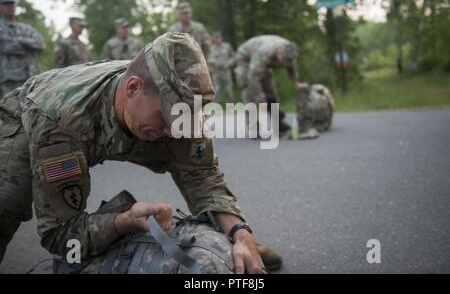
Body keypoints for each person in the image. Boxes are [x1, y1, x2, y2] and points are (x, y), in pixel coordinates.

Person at [0, 32, 281, 273]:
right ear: (133, 88)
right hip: (29, 114)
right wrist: (123, 221)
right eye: (166, 117)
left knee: (201, 182)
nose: (174, 132)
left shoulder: (177, 107)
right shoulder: (58, 123)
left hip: (122, 118)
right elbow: (62, 234)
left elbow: (202, 176)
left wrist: (239, 232)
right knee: (7, 199)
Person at [234, 35, 303, 134]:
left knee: (270, 91)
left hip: (263, 62)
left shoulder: (289, 50)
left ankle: (278, 123)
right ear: (279, 52)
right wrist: (260, 97)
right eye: (283, 59)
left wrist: (296, 82)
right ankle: (253, 128)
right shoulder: (265, 52)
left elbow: (291, 67)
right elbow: (252, 77)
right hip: (245, 59)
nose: (285, 62)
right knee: (250, 93)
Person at [0, 0, 45, 96]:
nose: (10, 6)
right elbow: (5, 47)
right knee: (13, 110)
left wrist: (19, 40)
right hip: (12, 79)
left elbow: (41, 44)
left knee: (34, 109)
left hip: (33, 76)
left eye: (12, 4)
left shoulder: (25, 27)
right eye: (6, 4)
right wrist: (28, 45)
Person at [208, 31, 235, 103]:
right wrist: (213, 62)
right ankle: (216, 108)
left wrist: (228, 64)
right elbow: (208, 59)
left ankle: (231, 108)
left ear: (221, 38)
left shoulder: (227, 46)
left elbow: (233, 57)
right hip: (216, 72)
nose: (217, 40)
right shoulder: (211, 48)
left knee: (228, 90)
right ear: (213, 39)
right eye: (215, 38)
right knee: (216, 90)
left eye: (218, 37)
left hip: (226, 71)